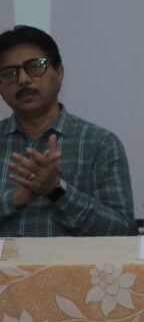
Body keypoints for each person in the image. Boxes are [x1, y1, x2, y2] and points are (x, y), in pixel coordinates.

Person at [0, 25, 133, 236]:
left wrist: (56, 190)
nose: (23, 79)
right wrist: (13, 200)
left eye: (35, 67)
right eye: (10, 73)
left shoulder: (100, 144)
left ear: (59, 72)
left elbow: (122, 231)